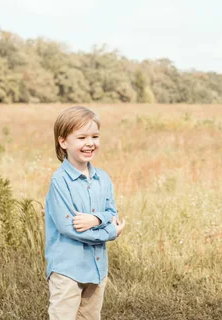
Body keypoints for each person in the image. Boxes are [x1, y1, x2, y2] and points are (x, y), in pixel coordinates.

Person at [45, 106, 126, 319]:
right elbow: (69, 227)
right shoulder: (60, 181)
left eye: (95, 136)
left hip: (97, 265)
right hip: (67, 269)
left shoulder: (103, 178)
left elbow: (112, 213)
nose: (90, 143)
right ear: (64, 142)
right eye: (81, 137)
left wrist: (96, 218)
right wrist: (109, 233)